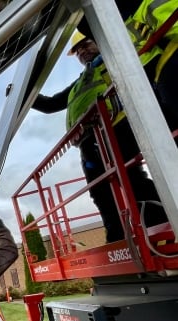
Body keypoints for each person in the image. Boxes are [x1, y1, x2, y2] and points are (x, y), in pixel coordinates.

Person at [32, 32, 168, 242]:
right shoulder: (81, 81)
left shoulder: (113, 60)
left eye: (86, 44)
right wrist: (27, 97)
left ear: (99, 40)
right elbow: (51, 104)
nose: (82, 52)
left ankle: (159, 223)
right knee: (99, 192)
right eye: (78, 51)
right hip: (90, 142)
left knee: (133, 179)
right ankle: (116, 237)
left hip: (118, 129)